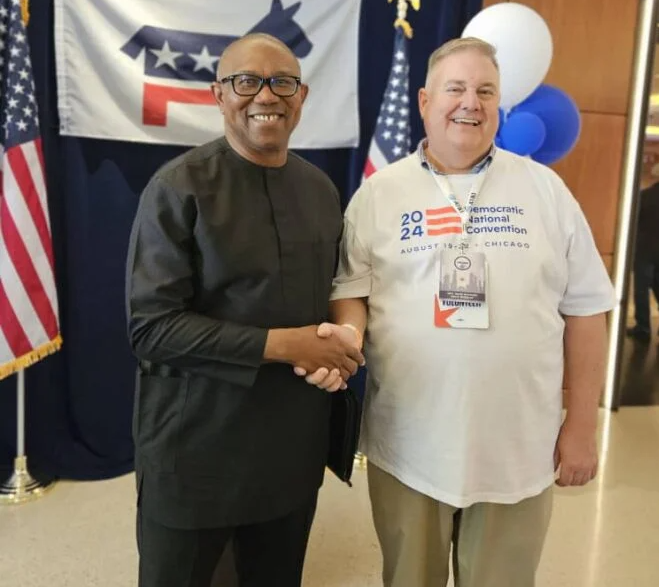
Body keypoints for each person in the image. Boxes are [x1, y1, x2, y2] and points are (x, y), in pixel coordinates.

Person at [303, 37, 615, 587]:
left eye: (485, 91)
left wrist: (583, 425)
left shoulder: (547, 191)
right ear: (425, 101)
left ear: (500, 106)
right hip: (409, 445)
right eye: (456, 88)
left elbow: (588, 311)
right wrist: (348, 337)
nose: (471, 102)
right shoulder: (380, 195)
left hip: (518, 450)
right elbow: (351, 290)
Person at [126, 33, 364, 587]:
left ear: (300, 96)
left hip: (291, 455)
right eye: (246, 81)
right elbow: (151, 329)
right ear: (219, 94)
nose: (266, 95)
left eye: (282, 82)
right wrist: (284, 344)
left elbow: (328, 305)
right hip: (195, 451)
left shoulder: (322, 192)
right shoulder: (176, 188)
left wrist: (333, 347)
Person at [627, 180, 659, 341]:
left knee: (641, 290)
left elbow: (633, 223)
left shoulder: (644, 196)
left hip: (644, 250)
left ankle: (643, 327)